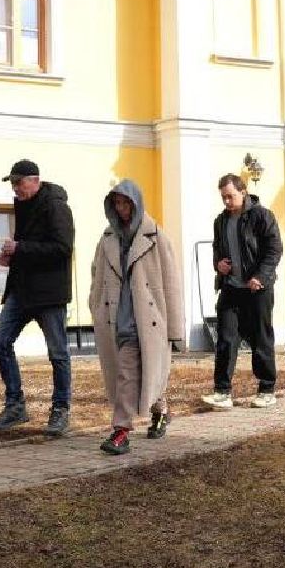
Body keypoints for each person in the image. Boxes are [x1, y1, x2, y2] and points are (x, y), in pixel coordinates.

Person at [87, 180, 185, 455]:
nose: (121, 209)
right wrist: (96, 305)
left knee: (128, 372)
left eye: (126, 203)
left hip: (147, 318)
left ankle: (121, 431)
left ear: (136, 203)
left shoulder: (156, 236)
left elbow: (171, 283)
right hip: (115, 317)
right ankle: (161, 410)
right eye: (117, 203)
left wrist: (175, 329)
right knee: (140, 372)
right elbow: (96, 274)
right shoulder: (108, 238)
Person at [0, 158, 76, 436]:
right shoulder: (22, 206)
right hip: (21, 291)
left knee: (58, 353)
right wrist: (10, 257)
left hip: (49, 295)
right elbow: (27, 248)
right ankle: (15, 406)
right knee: (0, 341)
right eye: (12, 183)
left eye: (18, 182)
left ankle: (60, 410)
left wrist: (20, 248)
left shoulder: (56, 206)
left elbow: (62, 248)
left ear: (35, 180)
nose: (15, 188)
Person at [202, 173, 284, 410]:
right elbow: (217, 250)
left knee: (261, 338)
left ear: (243, 192)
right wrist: (218, 264)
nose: (227, 201)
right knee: (225, 339)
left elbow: (274, 250)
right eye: (223, 197)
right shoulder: (220, 221)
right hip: (231, 288)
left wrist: (260, 276)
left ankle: (267, 389)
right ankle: (222, 392)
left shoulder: (262, 216)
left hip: (257, 289)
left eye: (230, 196)